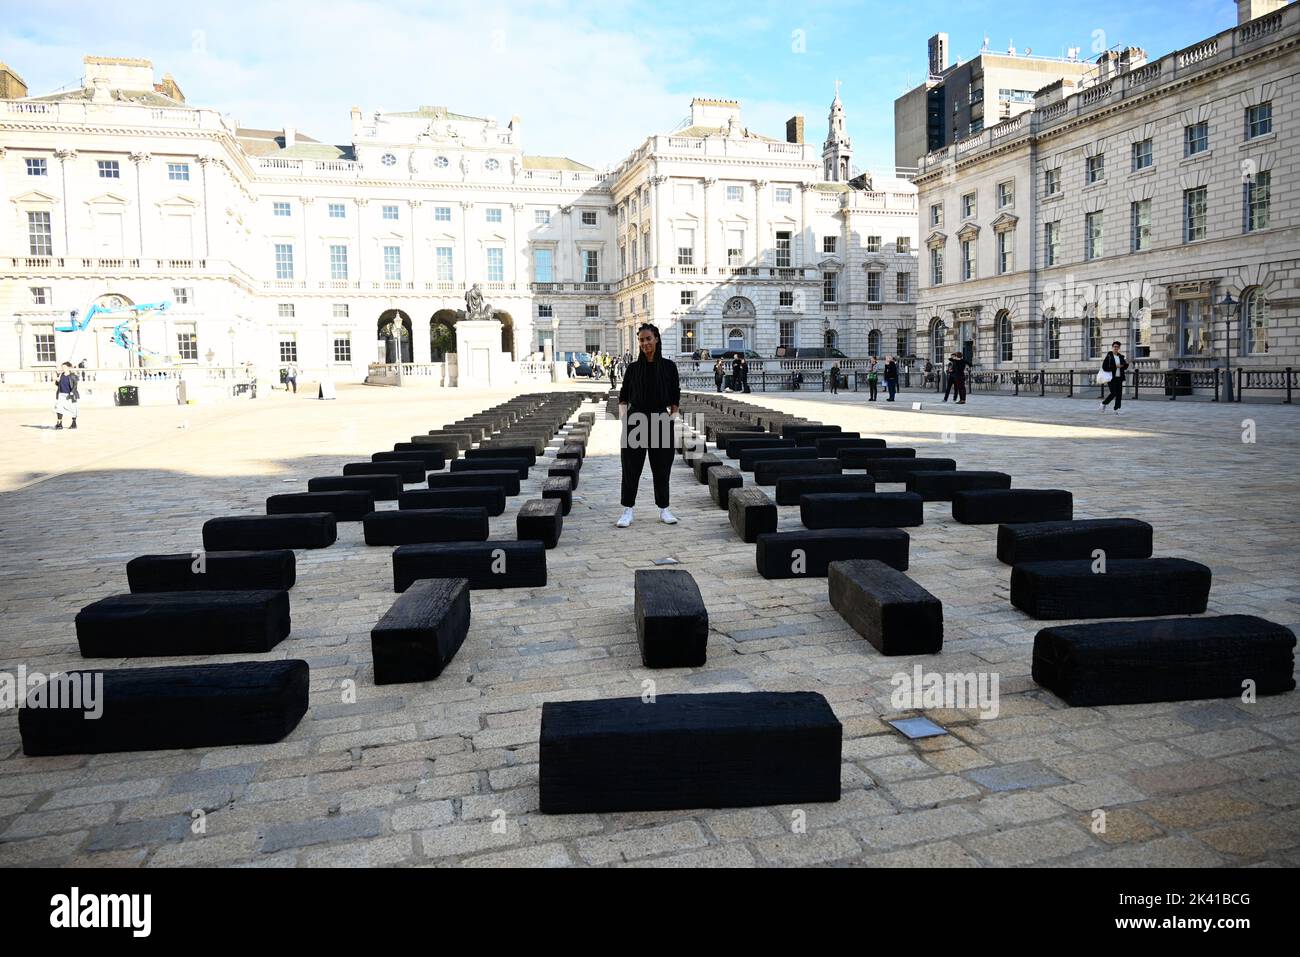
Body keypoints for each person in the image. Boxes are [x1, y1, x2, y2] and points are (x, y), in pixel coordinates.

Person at [617, 323, 680, 528]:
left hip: (661, 420)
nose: (644, 343)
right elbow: (623, 396)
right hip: (636, 420)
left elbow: (675, 392)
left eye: (648, 339)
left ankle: (664, 508)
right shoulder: (633, 369)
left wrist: (674, 413)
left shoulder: (669, 367)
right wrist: (625, 419)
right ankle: (628, 510)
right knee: (631, 467)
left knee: (662, 467)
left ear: (656, 339)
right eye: (641, 340)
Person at [1100, 340, 1128, 414]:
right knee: (1113, 393)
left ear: (1119, 348)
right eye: (1115, 347)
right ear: (1112, 347)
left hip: (1119, 377)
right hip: (1111, 377)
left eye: (1117, 347)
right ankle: (1104, 403)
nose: (1116, 348)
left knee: (1119, 394)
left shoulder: (1121, 357)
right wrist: (1115, 366)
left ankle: (1116, 409)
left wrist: (1125, 364)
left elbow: (1124, 367)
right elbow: (1104, 367)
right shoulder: (1109, 356)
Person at [54, 361, 79, 430]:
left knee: (73, 409)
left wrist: (72, 392)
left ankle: (74, 424)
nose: (63, 368)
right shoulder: (61, 375)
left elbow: (75, 385)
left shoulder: (73, 376)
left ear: (68, 368)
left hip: (70, 395)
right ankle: (59, 424)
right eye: (62, 367)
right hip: (61, 394)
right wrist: (57, 381)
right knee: (59, 408)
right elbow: (57, 384)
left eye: (64, 367)